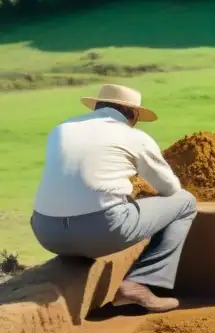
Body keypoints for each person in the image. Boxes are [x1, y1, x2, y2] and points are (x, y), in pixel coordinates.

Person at [30, 84, 197, 312]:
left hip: (47, 233)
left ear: (97, 106)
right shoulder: (134, 136)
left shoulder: (60, 129)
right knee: (185, 202)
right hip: (102, 232)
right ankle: (142, 282)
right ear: (134, 114)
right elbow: (170, 188)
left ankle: (81, 249)